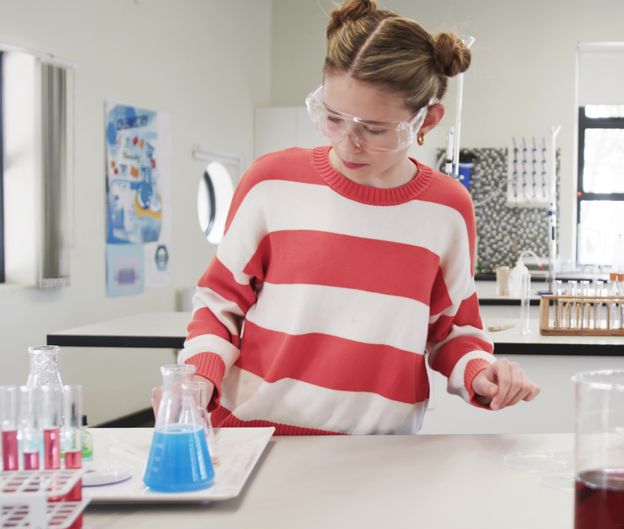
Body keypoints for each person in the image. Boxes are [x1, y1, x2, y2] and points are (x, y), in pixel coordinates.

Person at [172, 0, 539, 435]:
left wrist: (480, 372)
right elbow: (219, 305)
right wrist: (197, 379)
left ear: (427, 120)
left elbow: (453, 332)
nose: (348, 144)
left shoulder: (447, 209)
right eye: (332, 117)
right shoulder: (270, 182)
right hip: (253, 439)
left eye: (374, 129)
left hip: (377, 457)